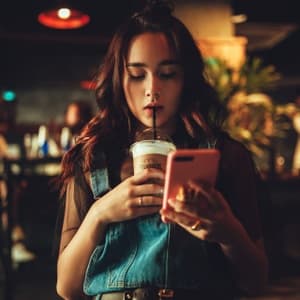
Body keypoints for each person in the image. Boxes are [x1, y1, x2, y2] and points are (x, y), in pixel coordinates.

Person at [55, 1, 268, 299]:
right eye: (138, 74)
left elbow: (257, 283)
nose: (152, 88)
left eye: (167, 74)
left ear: (186, 79)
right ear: (119, 79)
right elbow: (66, 288)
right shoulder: (93, 158)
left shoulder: (227, 157)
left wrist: (227, 231)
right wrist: (100, 213)